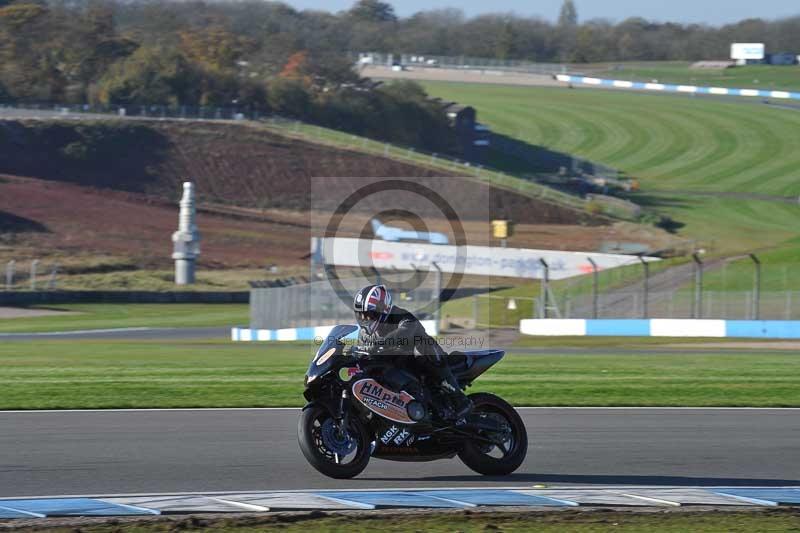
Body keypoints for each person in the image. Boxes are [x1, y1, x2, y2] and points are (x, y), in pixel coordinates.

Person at [353, 284, 471, 421]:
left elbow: (406, 330)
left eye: (369, 315)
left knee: (422, 348)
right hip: (396, 365)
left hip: (421, 360)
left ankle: (459, 399)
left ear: (383, 309)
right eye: (361, 315)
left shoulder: (401, 316)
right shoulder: (364, 333)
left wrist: (381, 343)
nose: (365, 319)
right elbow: (362, 352)